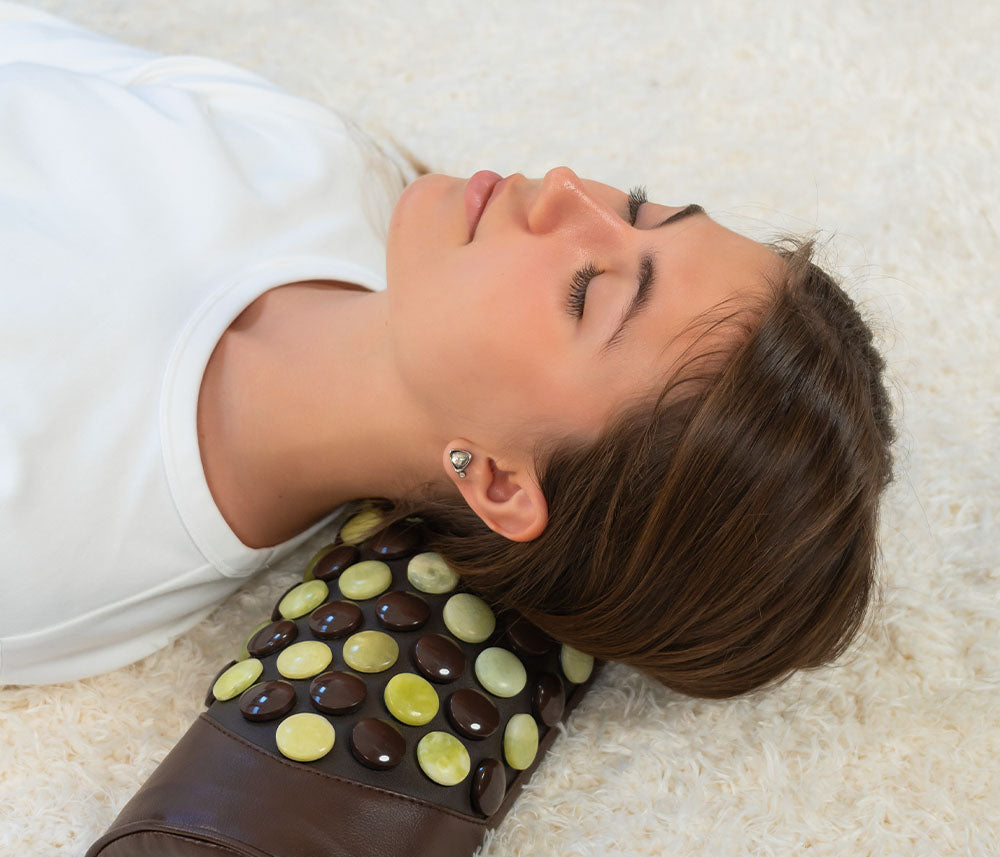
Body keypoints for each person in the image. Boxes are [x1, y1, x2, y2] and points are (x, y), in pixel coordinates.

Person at [0, 3, 895, 698]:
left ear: (499, 480)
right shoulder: (322, 163)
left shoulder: (51, 531)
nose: (566, 189)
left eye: (588, 290)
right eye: (636, 207)